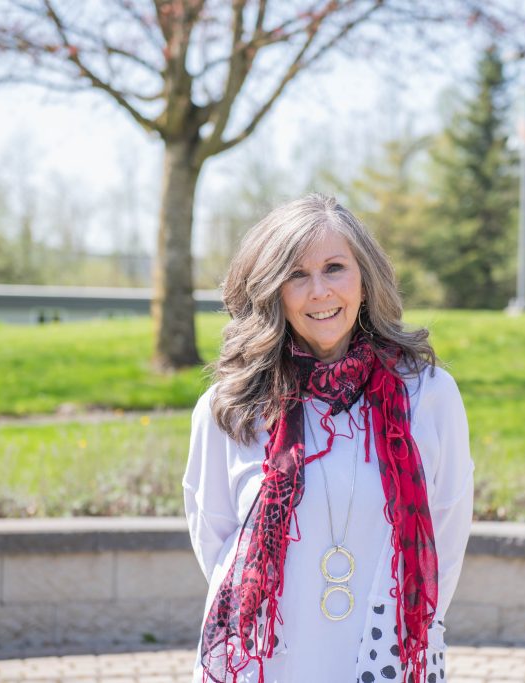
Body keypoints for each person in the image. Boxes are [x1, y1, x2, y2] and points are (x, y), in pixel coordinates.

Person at [183, 193, 474, 683]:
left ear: (365, 278)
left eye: (334, 267)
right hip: (265, 658)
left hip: (386, 651)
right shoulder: (230, 406)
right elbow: (213, 536)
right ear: (272, 289)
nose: (319, 291)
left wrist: (402, 635)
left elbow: (445, 533)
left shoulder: (428, 394)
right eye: (297, 274)